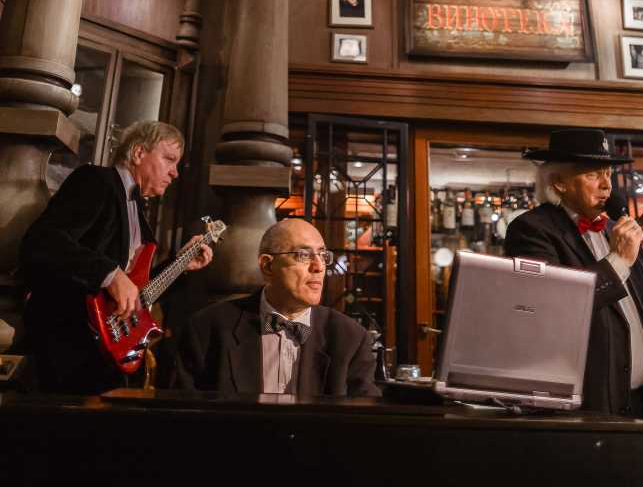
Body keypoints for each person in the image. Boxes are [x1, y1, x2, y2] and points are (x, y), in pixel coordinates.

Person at [20, 120, 213, 394]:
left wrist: (180, 264)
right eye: (169, 159)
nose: (175, 172)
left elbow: (137, 294)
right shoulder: (97, 181)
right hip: (66, 342)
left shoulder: (140, 218)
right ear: (138, 153)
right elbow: (43, 241)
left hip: (103, 355)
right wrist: (109, 274)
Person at [505, 128, 643, 429]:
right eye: (593, 174)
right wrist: (618, 261)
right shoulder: (531, 230)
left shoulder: (616, 229)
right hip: (587, 405)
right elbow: (552, 307)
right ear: (559, 182)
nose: (607, 185)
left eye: (608, 174)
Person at [174, 218, 380, 397]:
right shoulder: (206, 329)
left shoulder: (351, 338)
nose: (318, 267)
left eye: (323, 255)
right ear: (267, 265)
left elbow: (365, 421)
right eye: (303, 255)